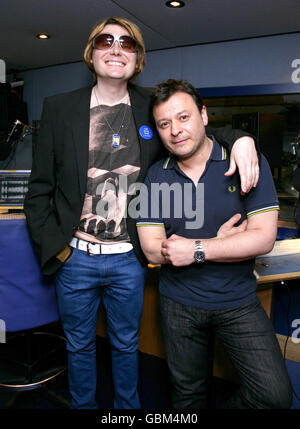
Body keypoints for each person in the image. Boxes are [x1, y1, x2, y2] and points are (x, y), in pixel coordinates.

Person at [24, 17, 259, 410]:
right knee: (79, 346)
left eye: (127, 43)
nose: (116, 48)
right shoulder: (59, 108)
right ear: (92, 52)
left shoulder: (151, 108)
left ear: (138, 58)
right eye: (106, 40)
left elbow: (195, 133)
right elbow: (39, 192)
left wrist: (243, 139)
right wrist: (57, 250)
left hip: (128, 260)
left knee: (125, 345)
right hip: (75, 256)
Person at [137, 79, 292, 409]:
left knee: (274, 396)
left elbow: (263, 237)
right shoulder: (156, 176)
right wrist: (223, 243)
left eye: (183, 117)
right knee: (187, 395)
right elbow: (153, 248)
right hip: (178, 304)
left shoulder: (246, 162)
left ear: (204, 115)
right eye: (165, 124)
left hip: (237, 301)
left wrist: (197, 248)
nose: (175, 130)